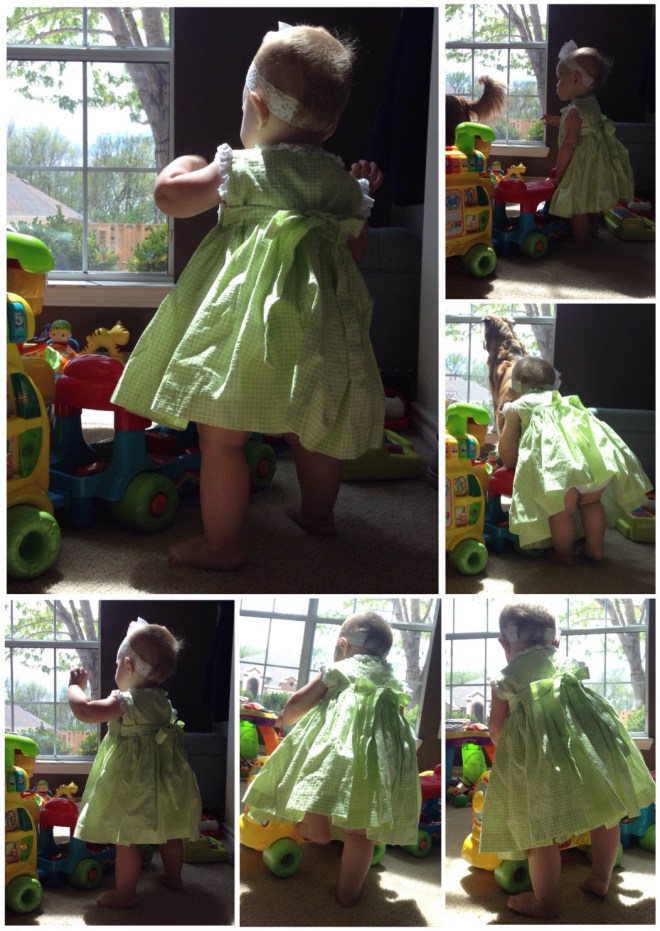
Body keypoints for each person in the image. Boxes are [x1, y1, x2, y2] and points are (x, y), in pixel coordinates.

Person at [111, 24, 385, 571]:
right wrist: (362, 199)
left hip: (245, 336)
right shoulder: (340, 184)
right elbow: (356, 250)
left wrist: (183, 167)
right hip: (318, 331)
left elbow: (170, 198)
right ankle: (319, 516)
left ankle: (222, 544)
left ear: (256, 108)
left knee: (223, 437)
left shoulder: (242, 167)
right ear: (330, 124)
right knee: (314, 431)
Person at [480, 603, 655, 919]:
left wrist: (507, 752)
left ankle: (545, 902)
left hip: (543, 760)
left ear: (504, 644)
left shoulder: (505, 679)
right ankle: (600, 878)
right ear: (555, 642)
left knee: (539, 831)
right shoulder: (565, 663)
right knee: (606, 814)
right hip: (589, 751)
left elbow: (495, 729)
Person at [242, 612, 421, 906]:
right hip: (376, 762)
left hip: (335, 749)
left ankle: (315, 828)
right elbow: (398, 724)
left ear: (343, 645)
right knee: (360, 834)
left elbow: (298, 702)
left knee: (315, 777)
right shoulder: (393, 681)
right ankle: (349, 890)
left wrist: (286, 718)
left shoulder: (339, 669)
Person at [67, 620, 202, 908]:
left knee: (125, 839)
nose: (116, 669)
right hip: (165, 781)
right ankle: (173, 877)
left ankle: (125, 894)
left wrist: (75, 687)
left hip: (134, 783)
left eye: (117, 664)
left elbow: (85, 710)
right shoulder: (163, 702)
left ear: (128, 666)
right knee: (170, 831)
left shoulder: (126, 702)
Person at [497, 356, 652, 565]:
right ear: (553, 385)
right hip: (596, 463)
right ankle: (595, 551)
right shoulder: (567, 401)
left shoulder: (516, 407)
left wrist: (510, 458)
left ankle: (564, 556)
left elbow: (507, 453)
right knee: (591, 503)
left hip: (564, 469)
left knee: (560, 512)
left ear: (514, 388)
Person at [542, 40, 634, 250]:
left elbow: (569, 143)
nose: (556, 85)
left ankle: (580, 241)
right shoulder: (591, 103)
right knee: (593, 198)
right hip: (599, 163)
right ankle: (593, 231)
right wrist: (557, 121)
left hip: (582, 165)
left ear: (575, 79)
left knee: (579, 203)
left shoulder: (574, 111)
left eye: (559, 79)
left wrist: (560, 171)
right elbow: (584, 126)